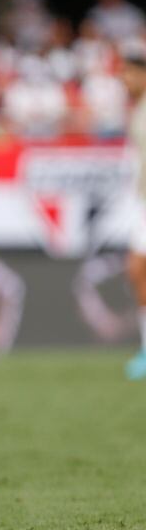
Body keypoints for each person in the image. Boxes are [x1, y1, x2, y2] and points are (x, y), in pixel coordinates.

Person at [120, 46, 146, 379]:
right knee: (137, 272)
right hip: (143, 202)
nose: (125, 80)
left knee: (138, 269)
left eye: (129, 72)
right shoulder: (138, 110)